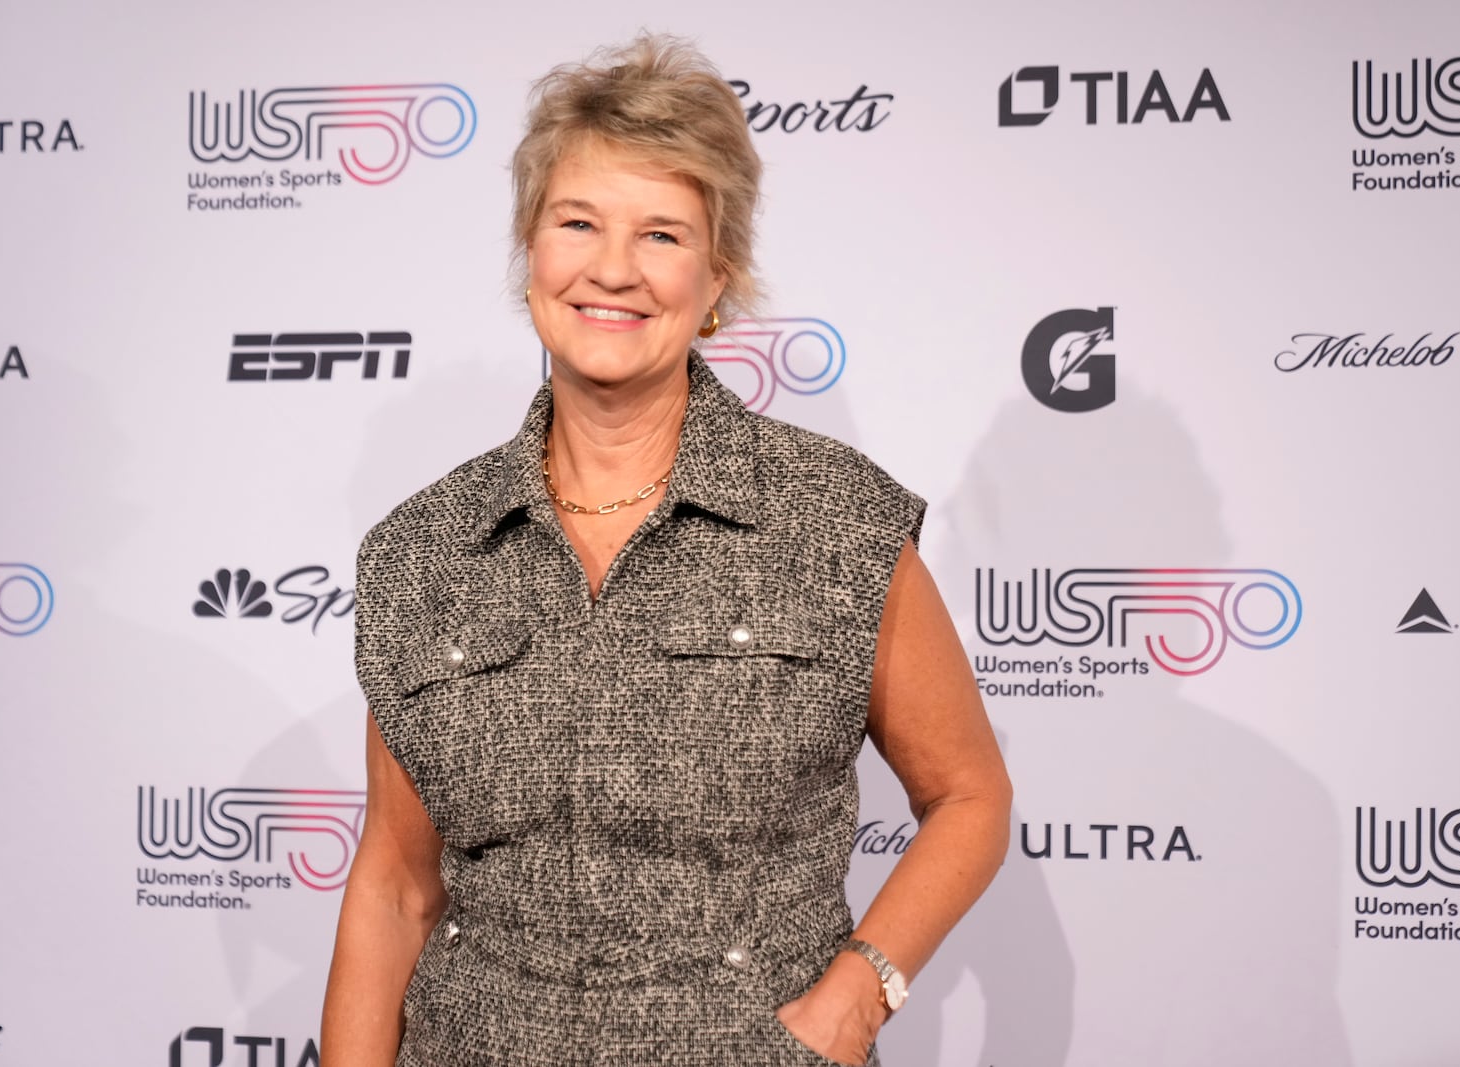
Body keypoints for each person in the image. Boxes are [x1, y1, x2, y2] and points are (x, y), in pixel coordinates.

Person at [320, 34, 1011, 1067]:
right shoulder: (423, 550)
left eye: (661, 234)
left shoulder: (834, 520)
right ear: (531, 251)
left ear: (717, 274)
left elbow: (969, 795)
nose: (612, 267)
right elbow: (394, 880)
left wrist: (853, 1001)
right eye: (578, 222)